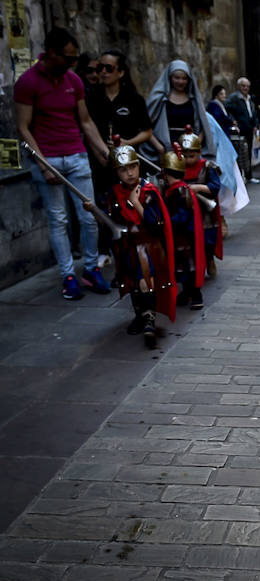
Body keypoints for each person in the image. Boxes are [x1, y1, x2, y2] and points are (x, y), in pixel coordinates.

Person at [14, 26, 112, 300]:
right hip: (48, 157)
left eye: (74, 59)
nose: (72, 64)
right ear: (51, 53)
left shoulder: (74, 81)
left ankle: (91, 270)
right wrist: (43, 165)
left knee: (89, 216)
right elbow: (23, 128)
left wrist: (105, 152)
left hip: (77, 155)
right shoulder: (28, 82)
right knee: (59, 220)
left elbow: (85, 121)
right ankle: (68, 276)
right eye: (68, 58)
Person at [85, 49, 153, 265]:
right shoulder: (91, 98)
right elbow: (86, 128)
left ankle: (133, 247)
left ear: (121, 72)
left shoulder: (133, 99)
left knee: (129, 203)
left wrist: (127, 143)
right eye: (99, 68)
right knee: (104, 204)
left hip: (128, 163)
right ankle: (105, 249)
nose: (103, 72)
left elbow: (147, 131)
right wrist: (101, 151)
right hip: (100, 162)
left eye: (108, 68)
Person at [106, 143, 176, 348]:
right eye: (123, 169)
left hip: (147, 245)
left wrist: (136, 203)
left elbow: (155, 224)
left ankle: (149, 321)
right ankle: (139, 316)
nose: (129, 173)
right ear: (117, 172)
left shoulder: (149, 191)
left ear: (138, 167)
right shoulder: (114, 192)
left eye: (132, 167)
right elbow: (113, 219)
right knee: (131, 283)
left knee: (146, 282)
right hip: (128, 246)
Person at [158, 145, 206, 312]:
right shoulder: (176, 189)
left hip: (185, 236)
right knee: (182, 267)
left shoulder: (180, 192)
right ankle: (186, 293)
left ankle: (196, 295)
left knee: (189, 266)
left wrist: (165, 221)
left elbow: (182, 216)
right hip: (181, 235)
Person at [145, 60, 214, 162]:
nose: (180, 82)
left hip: (189, 153)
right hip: (167, 151)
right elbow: (145, 125)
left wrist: (196, 142)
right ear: (170, 77)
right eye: (176, 78)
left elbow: (204, 124)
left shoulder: (194, 101)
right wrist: (159, 147)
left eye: (184, 78)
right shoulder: (160, 99)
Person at [181, 130, 224, 278]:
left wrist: (197, 188)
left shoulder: (208, 167)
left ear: (199, 152)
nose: (188, 160)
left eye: (191, 156)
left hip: (205, 210)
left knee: (208, 240)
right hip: (187, 210)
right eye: (184, 156)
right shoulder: (178, 168)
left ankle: (209, 258)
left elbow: (215, 186)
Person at [225, 77, 260, 182]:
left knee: (248, 152)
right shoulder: (234, 98)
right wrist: (233, 121)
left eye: (247, 86)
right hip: (240, 129)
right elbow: (227, 110)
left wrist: (255, 124)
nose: (246, 88)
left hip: (249, 128)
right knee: (240, 154)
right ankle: (240, 176)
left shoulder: (249, 98)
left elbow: (253, 112)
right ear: (239, 86)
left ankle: (249, 175)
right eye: (243, 86)